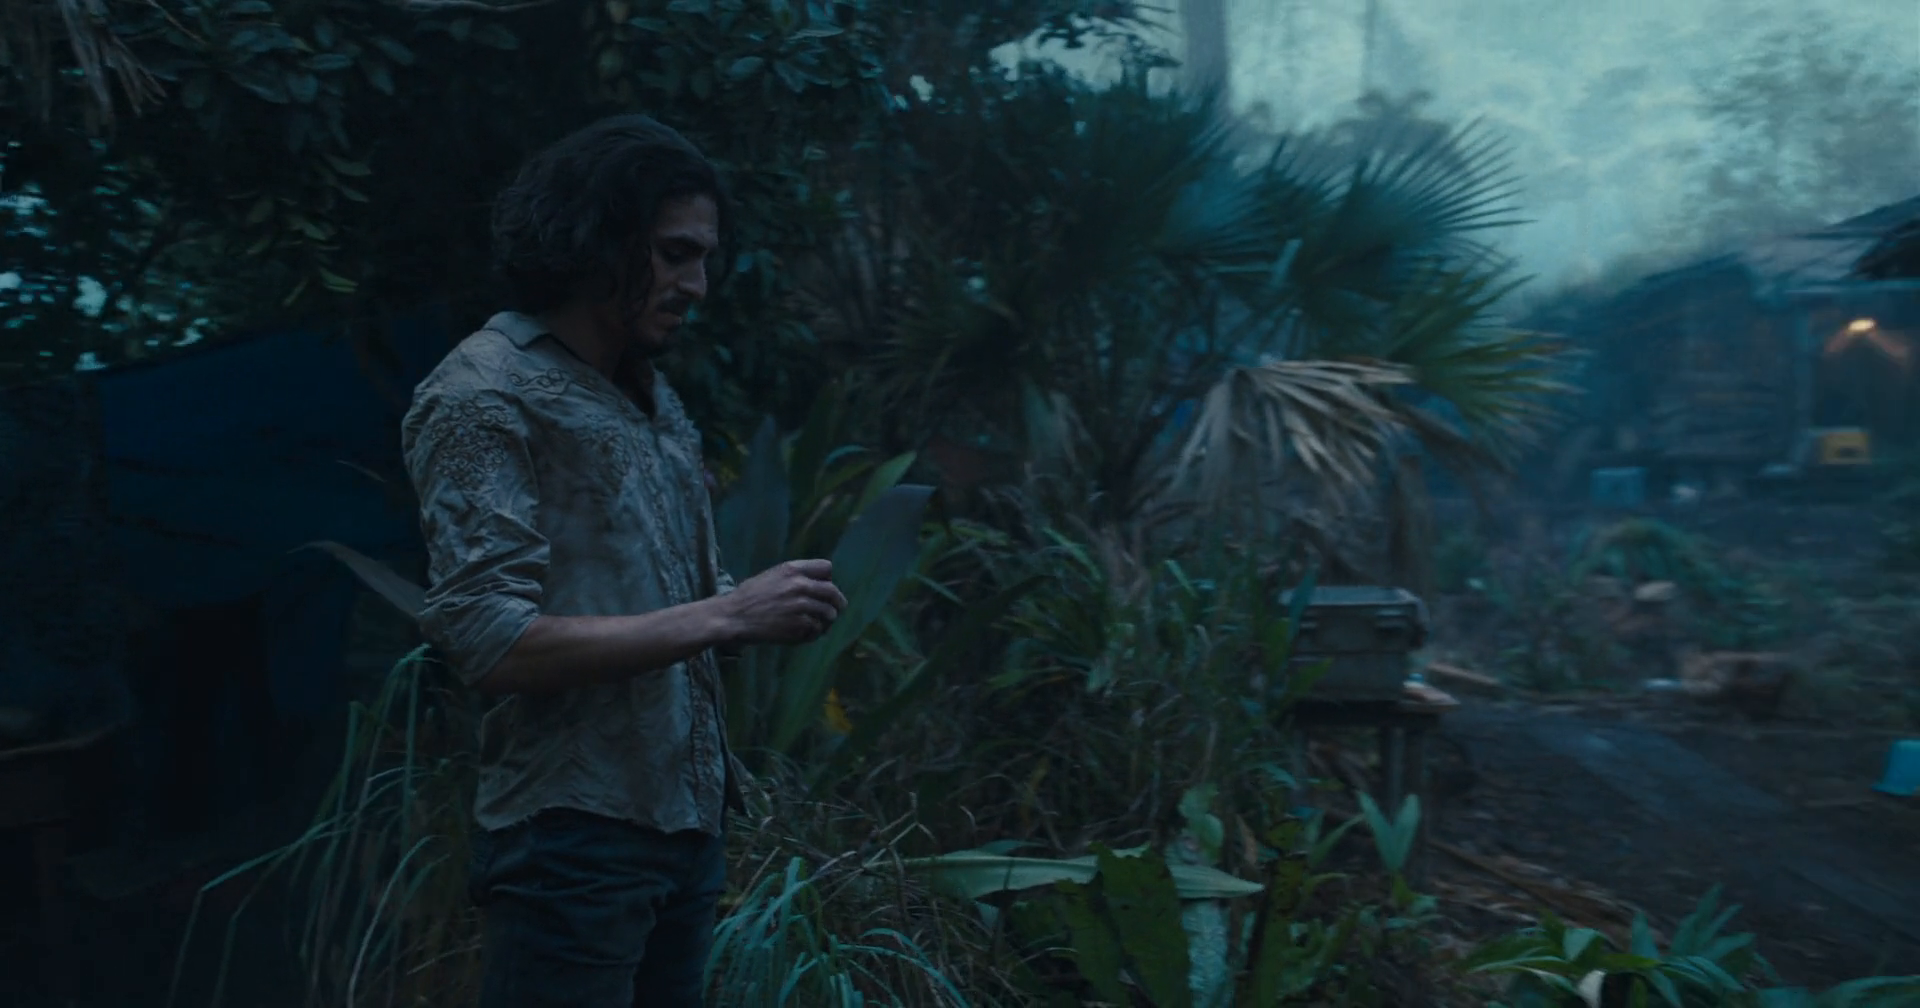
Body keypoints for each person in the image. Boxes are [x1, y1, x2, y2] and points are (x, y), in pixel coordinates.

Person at [401, 114, 848, 1008]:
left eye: (705, 258)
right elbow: (491, 640)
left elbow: (672, 595)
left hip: (684, 826)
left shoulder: (649, 396)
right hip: (573, 838)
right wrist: (727, 614)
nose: (698, 286)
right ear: (594, 238)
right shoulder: (483, 392)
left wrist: (761, 610)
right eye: (675, 254)